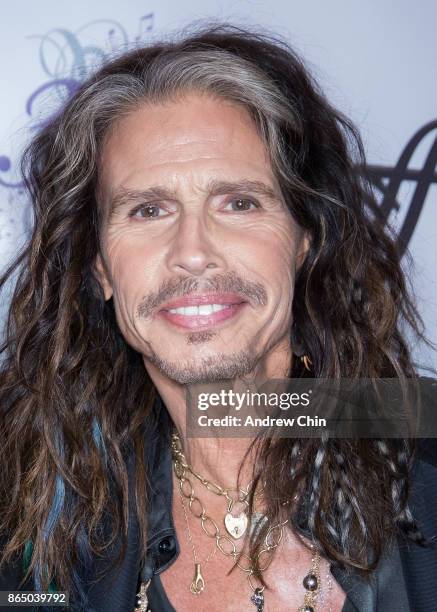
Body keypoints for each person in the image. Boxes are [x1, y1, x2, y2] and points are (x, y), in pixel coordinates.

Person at [0, 24, 436, 612]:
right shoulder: (28, 505)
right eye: (148, 209)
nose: (193, 251)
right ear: (101, 267)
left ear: (304, 239)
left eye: (239, 202)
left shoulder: (421, 445)